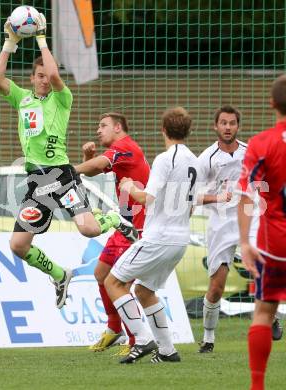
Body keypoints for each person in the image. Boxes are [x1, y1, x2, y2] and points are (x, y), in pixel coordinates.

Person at [0, 12, 137, 309]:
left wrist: (42, 38)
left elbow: (57, 76)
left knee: (89, 230)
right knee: (18, 246)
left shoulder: (62, 97)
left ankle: (115, 219)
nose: (45, 80)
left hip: (61, 175)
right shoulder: (22, 99)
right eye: (40, 75)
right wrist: (10, 42)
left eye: (48, 75)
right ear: (32, 78)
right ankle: (59, 275)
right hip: (36, 182)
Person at [104, 107, 198, 364]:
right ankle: (168, 351)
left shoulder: (165, 160)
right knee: (145, 291)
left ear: (164, 130)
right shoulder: (195, 161)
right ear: (188, 131)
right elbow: (191, 206)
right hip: (180, 240)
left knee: (113, 281)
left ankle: (143, 339)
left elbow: (147, 198)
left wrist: (129, 186)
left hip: (158, 237)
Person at [74, 113, 150, 353]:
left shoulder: (125, 147)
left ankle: (136, 340)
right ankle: (114, 329)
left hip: (138, 230)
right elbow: (96, 168)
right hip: (124, 226)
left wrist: (69, 170)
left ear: (118, 128)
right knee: (101, 273)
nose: (98, 130)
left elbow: (96, 166)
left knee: (119, 284)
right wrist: (87, 157)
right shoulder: (121, 151)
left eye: (103, 126)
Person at [196, 105, 259, 353]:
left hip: (249, 218)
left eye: (232, 123)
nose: (228, 127)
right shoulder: (206, 159)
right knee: (216, 287)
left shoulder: (249, 152)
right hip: (220, 224)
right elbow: (191, 196)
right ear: (216, 126)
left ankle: (272, 317)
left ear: (238, 127)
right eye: (223, 123)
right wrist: (217, 198)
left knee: (261, 268)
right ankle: (208, 338)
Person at [237, 74, 286, 390]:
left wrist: (244, 241)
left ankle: (258, 386)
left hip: (275, 243)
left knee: (264, 311)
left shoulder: (261, 143)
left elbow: (247, 195)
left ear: (271, 103)